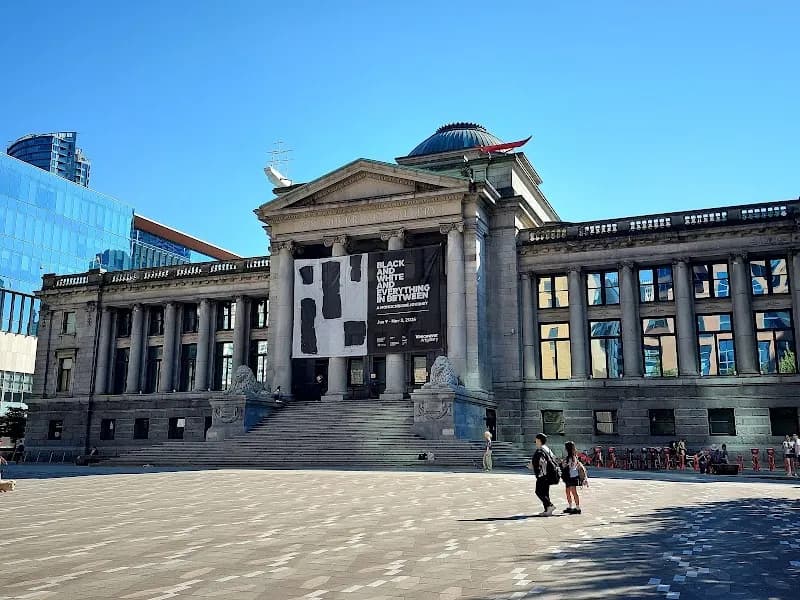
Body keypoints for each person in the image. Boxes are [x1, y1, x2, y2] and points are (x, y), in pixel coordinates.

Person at [529, 433, 558, 516]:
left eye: (536, 440)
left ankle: (550, 506)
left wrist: (534, 466)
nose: (535, 442)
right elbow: (554, 458)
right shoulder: (547, 449)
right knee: (545, 492)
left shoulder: (540, 450)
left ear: (539, 440)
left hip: (543, 474)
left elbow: (541, 462)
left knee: (538, 491)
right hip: (549, 474)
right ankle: (547, 510)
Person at [561, 441, 588, 514]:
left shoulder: (571, 458)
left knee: (572, 492)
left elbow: (565, 466)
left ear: (567, 449)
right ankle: (572, 507)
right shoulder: (574, 456)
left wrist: (562, 463)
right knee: (569, 492)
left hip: (571, 477)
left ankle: (577, 508)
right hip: (571, 477)